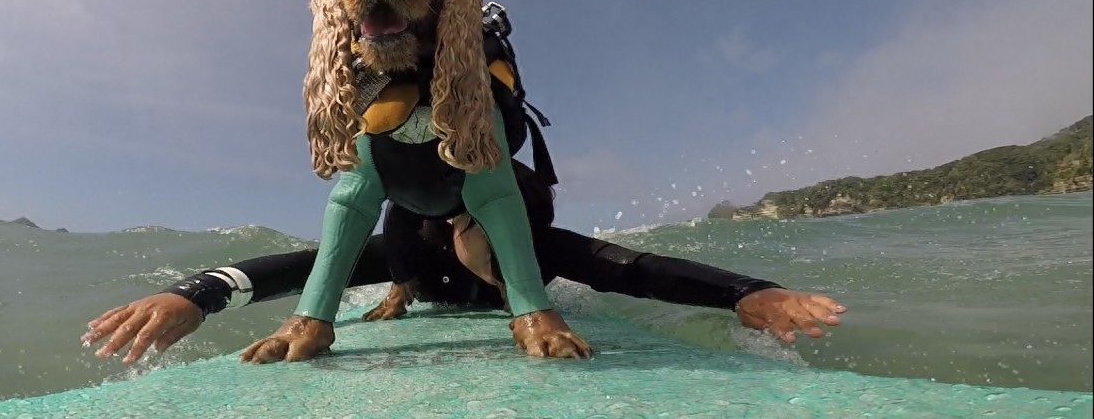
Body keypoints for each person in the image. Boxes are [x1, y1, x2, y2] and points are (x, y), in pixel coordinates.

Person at [82, 186, 847, 365]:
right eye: (461, 225)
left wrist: (747, 293)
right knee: (392, 286)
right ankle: (401, 301)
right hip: (412, 291)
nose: (470, 235)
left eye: (491, 221)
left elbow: (636, 270)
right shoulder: (407, 247)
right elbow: (300, 267)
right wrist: (194, 296)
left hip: (515, 301)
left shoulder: (543, 248)